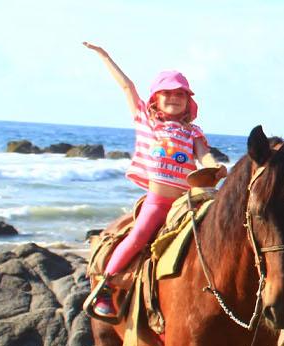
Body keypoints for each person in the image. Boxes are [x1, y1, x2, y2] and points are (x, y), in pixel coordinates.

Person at [83, 41, 222, 317]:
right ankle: (106, 286)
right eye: (167, 93)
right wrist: (105, 56)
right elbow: (127, 87)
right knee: (138, 236)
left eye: (180, 94)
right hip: (158, 202)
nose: (174, 98)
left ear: (188, 101)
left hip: (186, 202)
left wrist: (214, 167)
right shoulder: (147, 122)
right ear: (156, 99)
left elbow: (204, 155)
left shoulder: (193, 132)